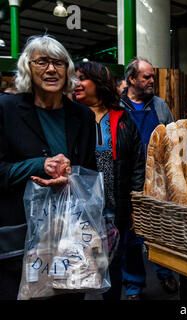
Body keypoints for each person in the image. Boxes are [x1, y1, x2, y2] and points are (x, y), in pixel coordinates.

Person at [0, 35, 97, 300]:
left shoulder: (83, 116)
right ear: (28, 68)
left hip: (69, 238)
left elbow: (89, 173)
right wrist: (41, 166)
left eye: (59, 62)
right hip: (20, 238)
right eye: (42, 62)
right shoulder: (6, 109)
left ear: (68, 71)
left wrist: (70, 177)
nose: (51, 69)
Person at [74, 61, 145, 300]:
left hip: (113, 208)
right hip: (78, 210)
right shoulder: (70, 116)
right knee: (75, 266)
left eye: (82, 78)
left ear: (99, 82)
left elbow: (137, 162)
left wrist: (135, 202)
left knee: (112, 266)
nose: (77, 83)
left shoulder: (121, 116)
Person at [120, 58, 177, 297]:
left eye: (152, 76)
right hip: (128, 182)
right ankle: (133, 285)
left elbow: (174, 140)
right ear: (132, 79)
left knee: (160, 233)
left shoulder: (160, 106)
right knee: (131, 237)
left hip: (158, 181)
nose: (152, 81)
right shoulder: (118, 107)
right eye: (147, 77)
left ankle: (166, 274)